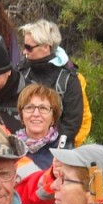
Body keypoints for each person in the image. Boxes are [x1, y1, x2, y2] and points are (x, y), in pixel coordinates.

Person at [18, 19, 83, 148]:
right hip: (23, 146)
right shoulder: (21, 71)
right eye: (24, 46)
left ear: (46, 47)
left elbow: (72, 122)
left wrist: (48, 146)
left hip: (58, 150)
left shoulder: (68, 78)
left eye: (29, 47)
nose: (24, 52)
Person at [16, 84, 62, 170]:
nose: (36, 114)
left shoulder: (64, 153)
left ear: (53, 117)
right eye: (29, 107)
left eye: (43, 108)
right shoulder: (11, 149)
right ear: (21, 115)